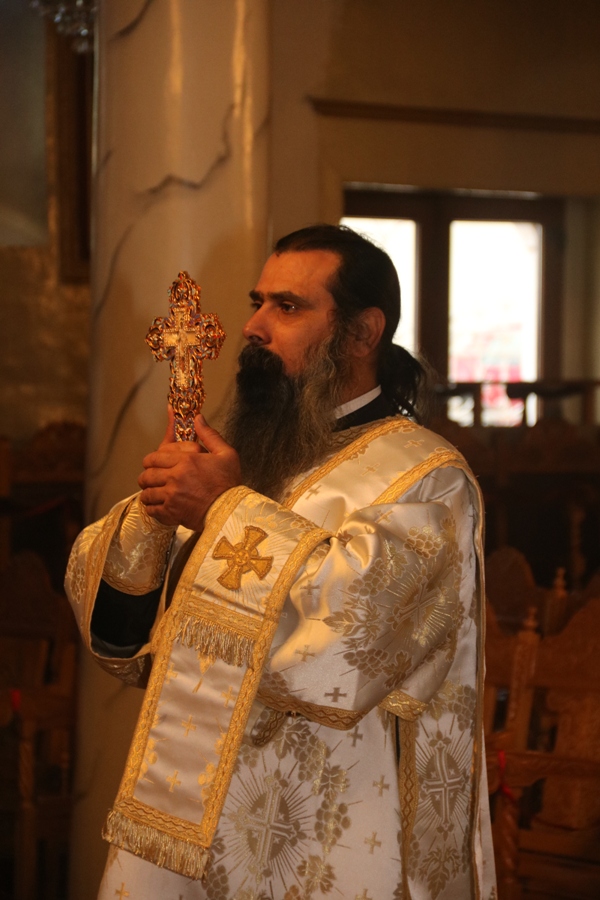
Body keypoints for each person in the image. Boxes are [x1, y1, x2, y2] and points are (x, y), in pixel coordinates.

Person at [66, 224, 496, 900]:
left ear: (362, 332)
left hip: (329, 827)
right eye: (257, 302)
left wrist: (221, 509)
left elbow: (350, 647)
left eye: (288, 306)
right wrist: (154, 518)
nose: (253, 326)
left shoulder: (425, 478)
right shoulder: (254, 453)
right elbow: (132, 646)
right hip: (193, 810)